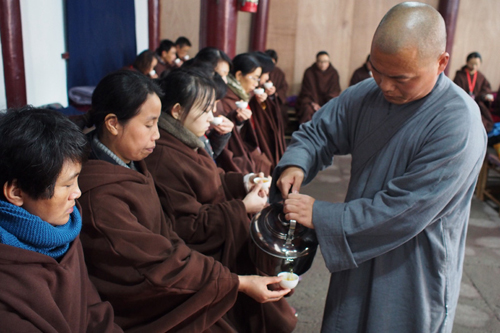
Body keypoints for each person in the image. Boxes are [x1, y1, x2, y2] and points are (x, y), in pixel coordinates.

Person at [271, 3, 487, 332]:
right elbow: (319, 131)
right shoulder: (369, 94)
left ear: (441, 63)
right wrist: (297, 163)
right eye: (376, 70)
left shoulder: (458, 122)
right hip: (357, 249)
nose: (385, 86)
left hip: (412, 263)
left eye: (400, 78)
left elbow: (405, 210)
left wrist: (321, 215)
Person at [77, 70, 289, 332]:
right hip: (143, 297)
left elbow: (166, 229)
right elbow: (157, 260)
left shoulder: (131, 159)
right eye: (149, 124)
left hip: (174, 262)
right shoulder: (100, 196)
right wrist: (236, 282)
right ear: (112, 123)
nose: (157, 134)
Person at [145, 68, 297, 332]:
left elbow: (213, 176)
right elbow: (187, 227)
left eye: (212, 109)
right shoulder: (163, 155)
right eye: (204, 111)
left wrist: (244, 181)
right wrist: (242, 207)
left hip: (225, 232)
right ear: (178, 111)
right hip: (209, 253)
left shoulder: (185, 139)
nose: (211, 118)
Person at [0, 106, 121, 332]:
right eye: (66, 185)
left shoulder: (65, 230)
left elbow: (92, 307)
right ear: (16, 193)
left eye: (76, 180)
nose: (77, 193)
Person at [218, 53, 273, 175]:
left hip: (246, 144)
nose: (256, 83)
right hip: (235, 149)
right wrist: (238, 120)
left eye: (258, 79)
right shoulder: (227, 97)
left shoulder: (243, 95)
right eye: (254, 78)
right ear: (238, 75)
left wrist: (259, 102)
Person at [250, 51, 287, 172]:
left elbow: (266, 110)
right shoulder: (250, 89)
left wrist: (271, 97)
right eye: (265, 74)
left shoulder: (259, 88)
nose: (267, 78)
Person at [453, 52, 495, 132]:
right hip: (463, 104)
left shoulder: (480, 77)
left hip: (477, 104)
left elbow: (485, 89)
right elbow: (456, 91)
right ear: (467, 62)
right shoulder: (460, 76)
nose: (474, 66)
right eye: (471, 63)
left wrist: (484, 96)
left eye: (476, 64)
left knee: (484, 122)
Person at [296, 51, 341, 124]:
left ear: (329, 62)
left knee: (332, 111)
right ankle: (308, 134)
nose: (323, 64)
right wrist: (313, 103)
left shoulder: (333, 73)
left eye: (325, 61)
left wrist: (325, 106)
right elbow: (306, 91)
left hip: (328, 103)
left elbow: (335, 92)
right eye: (320, 61)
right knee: (307, 110)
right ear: (316, 61)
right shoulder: (309, 72)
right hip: (311, 103)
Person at [265, 49, 289, 125]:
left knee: (279, 111)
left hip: (276, 100)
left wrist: (276, 93)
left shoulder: (279, 72)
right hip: (262, 99)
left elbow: (284, 87)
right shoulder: (261, 71)